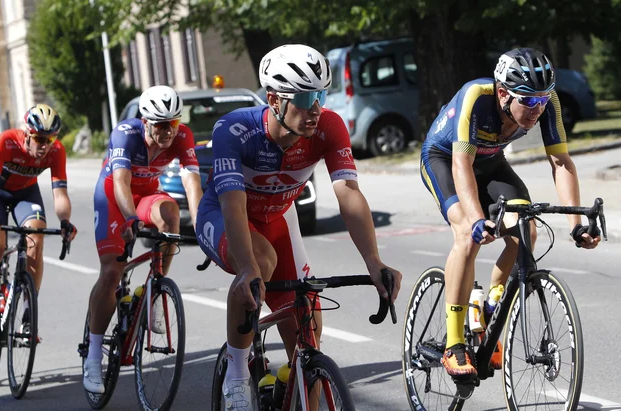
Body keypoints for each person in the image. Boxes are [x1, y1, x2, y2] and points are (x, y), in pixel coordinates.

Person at [195, 44, 403, 410]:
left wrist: (374, 261)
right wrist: (246, 269)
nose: (315, 108)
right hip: (226, 214)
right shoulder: (235, 128)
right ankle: (238, 376)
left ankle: (295, 391)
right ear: (274, 99)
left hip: (278, 218)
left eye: (321, 94)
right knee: (259, 261)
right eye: (305, 97)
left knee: (308, 336)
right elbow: (232, 201)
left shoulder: (328, 126)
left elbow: (349, 194)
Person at [420, 48, 601, 378]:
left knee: (526, 232)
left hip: (489, 161)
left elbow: (561, 162)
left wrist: (576, 225)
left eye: (543, 100)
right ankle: (455, 343)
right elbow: (462, 163)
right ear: (503, 93)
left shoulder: (547, 104)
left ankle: (489, 309)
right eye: (529, 102)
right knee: (466, 233)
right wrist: (476, 219)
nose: (538, 108)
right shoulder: (477, 96)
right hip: (445, 159)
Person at [84, 85, 203, 393]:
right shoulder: (126, 134)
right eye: (161, 125)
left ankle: (155, 292)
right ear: (146, 121)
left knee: (171, 214)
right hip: (113, 196)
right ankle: (93, 357)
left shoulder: (182, 136)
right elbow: (121, 182)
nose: (168, 132)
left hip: (146, 194)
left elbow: (192, 182)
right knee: (112, 272)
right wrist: (131, 219)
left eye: (173, 124)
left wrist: (204, 224)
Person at [0, 104, 77, 345]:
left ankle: (28, 316)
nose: (45, 145)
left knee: (35, 241)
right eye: (39, 139)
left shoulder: (56, 151)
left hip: (26, 195)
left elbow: (60, 195)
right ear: (27, 133)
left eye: (50, 139)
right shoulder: (6, 141)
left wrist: (65, 221)